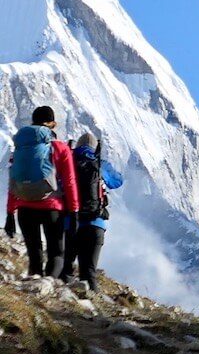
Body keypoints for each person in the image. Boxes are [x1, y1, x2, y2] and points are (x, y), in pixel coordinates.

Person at [7, 106, 79, 277]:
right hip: (52, 208)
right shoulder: (60, 148)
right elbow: (69, 182)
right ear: (52, 124)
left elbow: (13, 180)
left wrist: (10, 213)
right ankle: (49, 288)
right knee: (56, 253)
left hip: (24, 208)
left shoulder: (20, 147)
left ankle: (35, 291)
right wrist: (74, 210)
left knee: (34, 254)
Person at [61, 133, 123, 291]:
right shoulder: (99, 163)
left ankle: (61, 300)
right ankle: (93, 311)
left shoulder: (69, 161)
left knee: (66, 269)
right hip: (96, 225)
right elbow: (118, 181)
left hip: (70, 223)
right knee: (89, 272)